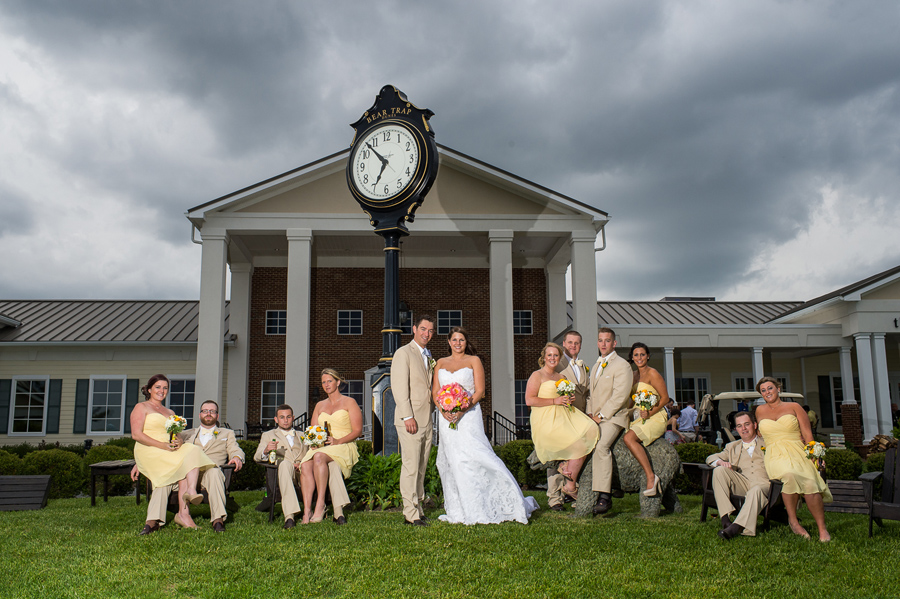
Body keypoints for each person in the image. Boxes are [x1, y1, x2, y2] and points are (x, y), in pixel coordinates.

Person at [432, 327, 539, 524]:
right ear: (448, 342)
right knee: (454, 461)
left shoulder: (474, 361)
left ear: (466, 342)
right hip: (446, 419)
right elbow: (435, 392)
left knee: (477, 456)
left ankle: (503, 501)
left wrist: (461, 410)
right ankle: (460, 509)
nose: (458, 343)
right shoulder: (440, 363)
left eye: (461, 340)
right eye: (454, 339)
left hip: (468, 416)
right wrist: (444, 410)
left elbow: (480, 391)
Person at [131, 399, 244, 533]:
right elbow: (163, 447)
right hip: (185, 474)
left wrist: (237, 457)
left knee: (214, 472)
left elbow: (235, 449)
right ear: (199, 415)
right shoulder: (186, 433)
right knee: (164, 480)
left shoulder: (227, 433)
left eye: (212, 411)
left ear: (217, 416)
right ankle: (152, 522)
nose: (208, 414)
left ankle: (218, 520)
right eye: (205, 411)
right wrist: (140, 462)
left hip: (209, 474)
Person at [130, 374, 215, 532]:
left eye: (165, 388)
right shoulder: (141, 407)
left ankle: (187, 500)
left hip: (168, 449)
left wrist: (180, 441)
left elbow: (176, 434)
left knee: (191, 451)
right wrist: (161, 446)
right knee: (181, 465)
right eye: (158, 387)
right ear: (149, 389)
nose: (162, 391)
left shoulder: (169, 411)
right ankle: (176, 514)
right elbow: (136, 435)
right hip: (150, 449)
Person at [755, 376, 832, 541]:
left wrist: (815, 457)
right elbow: (760, 433)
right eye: (763, 390)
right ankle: (794, 521)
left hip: (797, 450)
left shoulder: (794, 406)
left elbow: (808, 434)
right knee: (789, 475)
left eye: (770, 388)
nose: (767, 392)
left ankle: (822, 529)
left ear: (778, 389)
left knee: (811, 482)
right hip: (775, 454)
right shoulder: (759, 411)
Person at [253, 404, 350, 528]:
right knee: (284, 465)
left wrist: (313, 451)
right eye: (282, 417)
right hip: (286, 473)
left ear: (293, 417)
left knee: (333, 464)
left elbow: (313, 453)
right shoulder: (268, 435)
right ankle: (289, 517)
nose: (285, 420)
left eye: (288, 417)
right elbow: (256, 456)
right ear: (276, 419)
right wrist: (266, 450)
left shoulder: (303, 434)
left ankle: (339, 513)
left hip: (306, 471)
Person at [527, 342, 599, 502]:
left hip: (563, 416)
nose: (552, 358)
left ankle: (568, 481)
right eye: (549, 355)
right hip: (545, 420)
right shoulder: (537, 375)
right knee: (571, 444)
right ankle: (562, 487)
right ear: (544, 358)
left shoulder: (562, 378)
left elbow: (565, 401)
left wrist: (569, 399)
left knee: (589, 432)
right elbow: (529, 400)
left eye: (556, 355)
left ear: (560, 358)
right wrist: (555, 400)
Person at [299, 369, 362, 524]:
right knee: (306, 464)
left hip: (343, 444)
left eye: (330, 381)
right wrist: (314, 443)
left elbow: (357, 431)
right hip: (322, 447)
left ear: (338, 382)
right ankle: (307, 511)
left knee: (319, 458)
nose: (326, 385)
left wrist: (338, 441)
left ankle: (320, 504)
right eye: (323, 382)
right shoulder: (319, 405)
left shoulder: (349, 402)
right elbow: (313, 430)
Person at [390, 314, 436, 526]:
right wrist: (407, 416)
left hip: (427, 419)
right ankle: (410, 513)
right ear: (414, 329)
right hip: (410, 419)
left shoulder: (428, 355)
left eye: (430, 331)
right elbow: (399, 388)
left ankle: (418, 506)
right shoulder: (403, 353)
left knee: (421, 466)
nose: (427, 334)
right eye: (423, 329)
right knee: (410, 466)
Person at [587, 328, 634, 515]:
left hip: (614, 417)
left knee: (601, 446)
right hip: (596, 417)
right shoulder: (597, 365)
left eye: (607, 341)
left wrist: (602, 415)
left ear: (614, 343)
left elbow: (620, 396)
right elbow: (591, 395)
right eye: (600, 340)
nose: (603, 344)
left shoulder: (622, 365)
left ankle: (604, 496)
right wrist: (590, 414)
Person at [706, 411, 771, 539]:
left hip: (763, 484)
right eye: (739, 426)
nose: (744, 429)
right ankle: (725, 520)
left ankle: (735, 527)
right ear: (736, 429)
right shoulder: (732, 447)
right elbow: (710, 458)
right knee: (719, 470)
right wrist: (720, 462)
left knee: (756, 490)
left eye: (747, 424)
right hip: (743, 483)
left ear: (755, 425)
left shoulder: (768, 444)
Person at [546, 330, 590, 511]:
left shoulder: (582, 366)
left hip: (579, 416)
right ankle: (554, 498)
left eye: (577, 343)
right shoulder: (557, 362)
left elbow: (585, 393)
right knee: (557, 456)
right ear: (564, 343)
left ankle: (567, 491)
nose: (573, 346)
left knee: (573, 454)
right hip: (560, 414)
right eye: (570, 343)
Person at [621, 342, 672, 496]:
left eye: (642, 354)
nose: (639, 357)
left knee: (629, 439)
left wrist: (650, 412)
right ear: (632, 357)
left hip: (654, 416)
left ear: (648, 356)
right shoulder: (634, 375)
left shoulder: (653, 373)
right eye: (636, 355)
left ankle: (651, 476)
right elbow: (632, 400)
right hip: (638, 416)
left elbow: (665, 398)